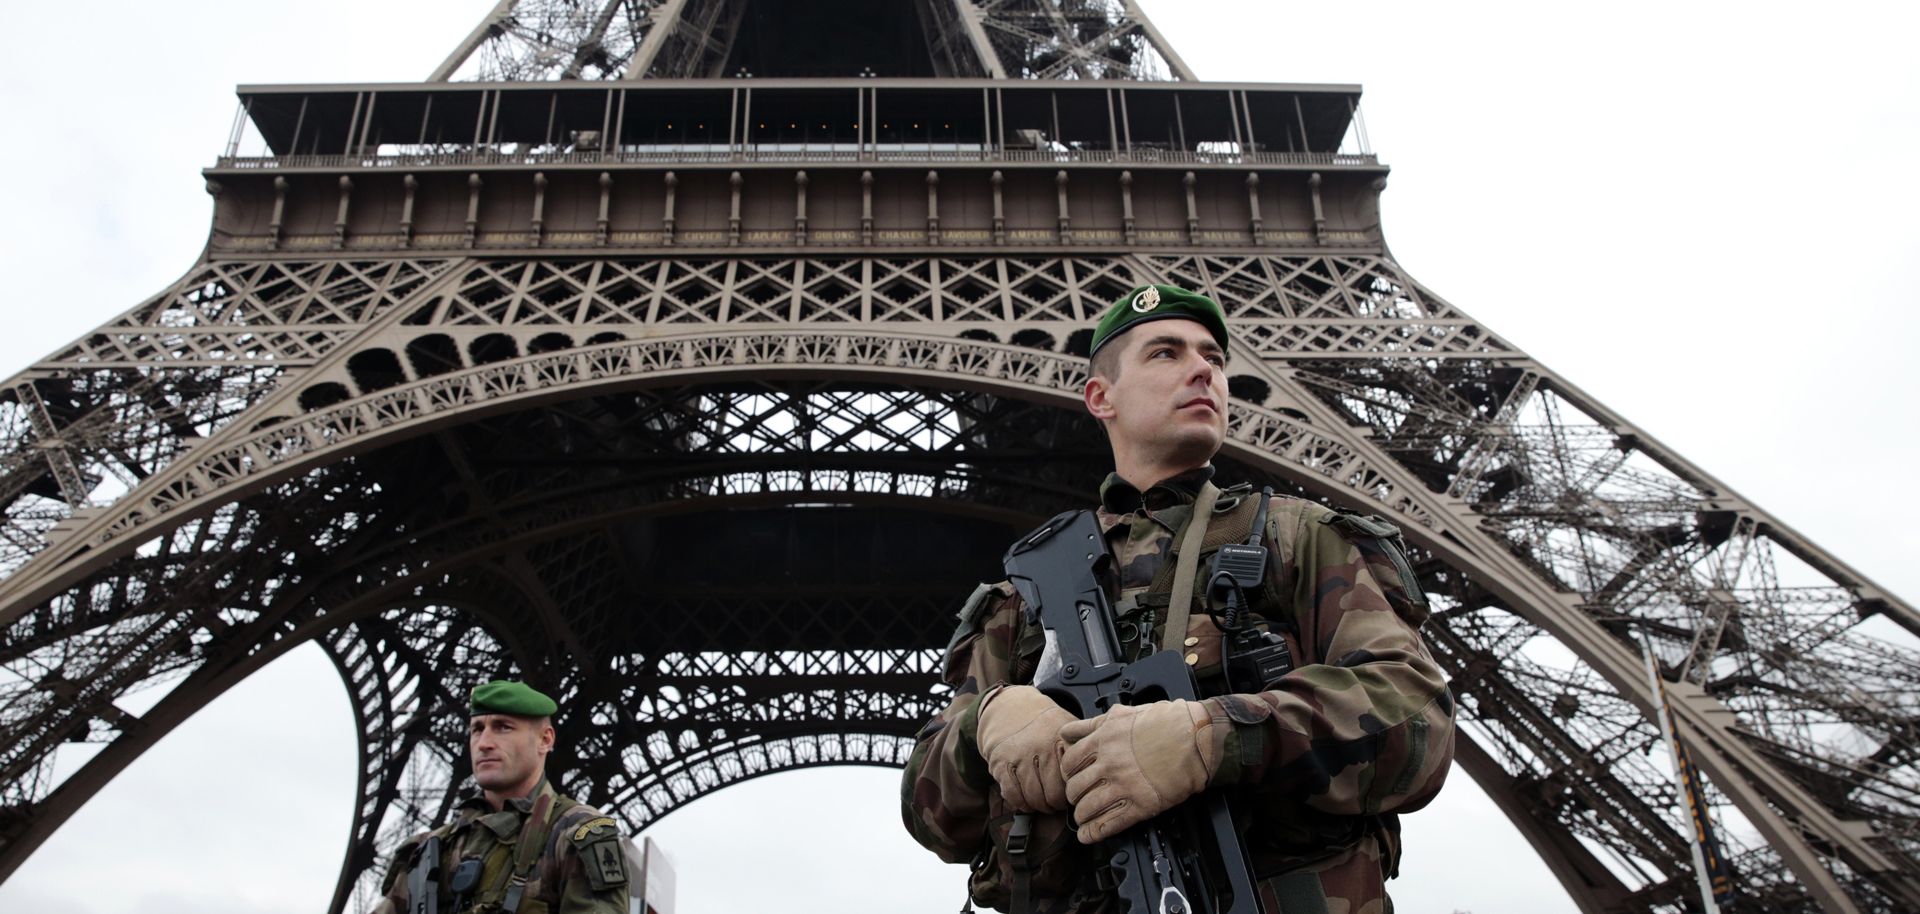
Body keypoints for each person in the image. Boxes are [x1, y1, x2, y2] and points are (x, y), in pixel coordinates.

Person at [900, 284, 1456, 913]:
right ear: (1099, 396)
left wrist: (1212, 738)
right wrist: (986, 722)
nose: (1204, 370)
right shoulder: (1024, 597)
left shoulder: (1301, 539)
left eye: (1214, 358)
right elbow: (932, 819)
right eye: (1165, 353)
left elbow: (1419, 719)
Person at [373, 680, 632, 914]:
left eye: (503, 727)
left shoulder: (578, 834)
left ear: (545, 739)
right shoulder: (428, 850)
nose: (484, 742)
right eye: (477, 729)